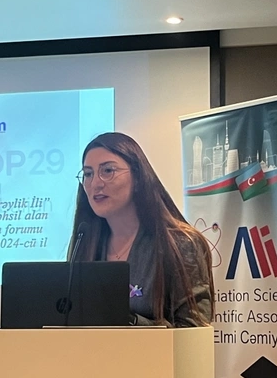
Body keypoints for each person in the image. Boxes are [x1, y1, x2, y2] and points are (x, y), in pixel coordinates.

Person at [71, 132, 214, 327]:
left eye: (108, 170)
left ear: (138, 177)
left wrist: (128, 322)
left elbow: (193, 331)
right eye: (88, 174)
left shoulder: (180, 244)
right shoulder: (84, 243)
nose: (95, 183)